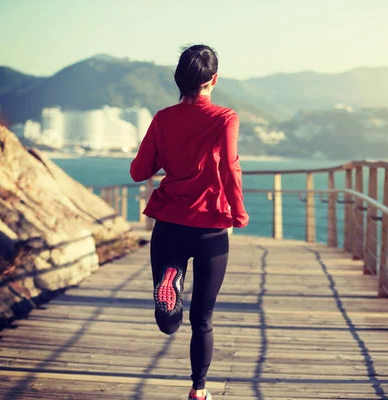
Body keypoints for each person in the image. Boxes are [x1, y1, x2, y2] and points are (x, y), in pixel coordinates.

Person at [129, 44, 249, 400]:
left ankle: (171, 283)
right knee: (204, 319)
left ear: (179, 80)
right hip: (211, 227)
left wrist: (164, 154)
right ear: (214, 80)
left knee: (170, 320)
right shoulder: (225, 117)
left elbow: (139, 172)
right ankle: (199, 390)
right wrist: (239, 213)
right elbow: (230, 166)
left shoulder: (163, 118)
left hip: (168, 224)